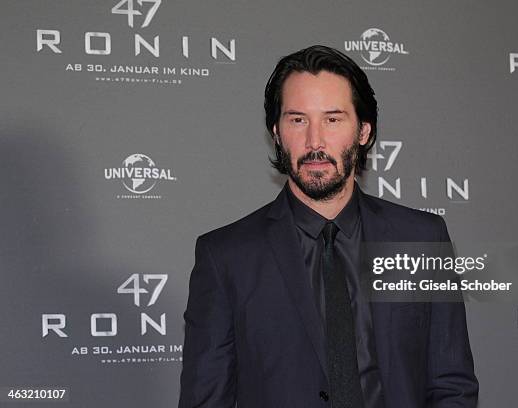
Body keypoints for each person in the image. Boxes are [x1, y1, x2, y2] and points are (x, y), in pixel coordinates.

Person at [179, 45, 478, 408]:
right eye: (297, 119)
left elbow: (452, 386)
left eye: (333, 119)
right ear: (276, 132)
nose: (314, 141)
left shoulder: (422, 239)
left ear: (364, 131)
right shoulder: (226, 256)